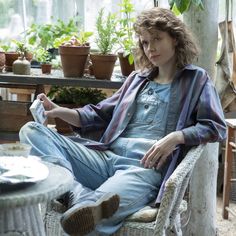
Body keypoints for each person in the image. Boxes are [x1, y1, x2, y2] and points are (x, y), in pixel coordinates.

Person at [20, 7, 227, 236]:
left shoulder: (196, 80)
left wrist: (177, 137)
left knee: (90, 219)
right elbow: (98, 114)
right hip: (104, 159)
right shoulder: (136, 80)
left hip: (144, 169)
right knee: (31, 131)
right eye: (145, 42)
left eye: (157, 39)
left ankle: (83, 201)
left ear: (176, 39)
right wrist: (58, 111)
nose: (151, 48)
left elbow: (216, 127)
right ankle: (74, 192)